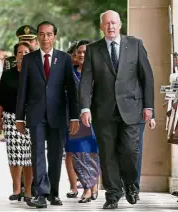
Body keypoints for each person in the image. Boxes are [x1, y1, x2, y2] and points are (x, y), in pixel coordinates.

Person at [79, 10, 154, 209]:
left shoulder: (135, 45)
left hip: (132, 108)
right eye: (106, 23)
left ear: (120, 25)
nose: (110, 27)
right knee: (107, 153)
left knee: (130, 150)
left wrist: (148, 106)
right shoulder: (94, 50)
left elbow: (146, 77)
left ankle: (130, 184)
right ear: (101, 26)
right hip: (103, 110)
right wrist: (85, 108)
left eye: (113, 23)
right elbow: (86, 81)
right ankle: (112, 194)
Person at [16, 21, 80, 209]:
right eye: (42, 34)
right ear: (38, 37)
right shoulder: (29, 59)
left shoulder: (65, 59)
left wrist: (74, 116)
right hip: (36, 115)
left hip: (58, 115)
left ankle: (54, 193)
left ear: (55, 37)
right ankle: (41, 194)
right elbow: (23, 90)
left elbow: (71, 89)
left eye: (49, 34)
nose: (45, 38)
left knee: (55, 155)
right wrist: (20, 117)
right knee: (37, 155)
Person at [0, 42, 34, 202]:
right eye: (20, 52)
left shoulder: (35, 74)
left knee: (29, 157)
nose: (23, 55)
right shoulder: (8, 74)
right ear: (15, 55)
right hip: (11, 119)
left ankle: (29, 190)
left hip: (30, 119)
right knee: (14, 156)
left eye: (26, 52)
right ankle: (17, 189)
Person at [64, 40, 101, 203]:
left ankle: (93, 186)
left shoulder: (98, 74)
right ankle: (86, 187)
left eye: (85, 52)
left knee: (92, 153)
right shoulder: (69, 73)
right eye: (79, 52)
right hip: (74, 119)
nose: (81, 55)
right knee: (79, 154)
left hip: (94, 119)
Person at [64, 41, 80, 198]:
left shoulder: (91, 72)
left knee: (90, 151)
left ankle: (90, 185)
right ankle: (73, 186)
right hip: (69, 115)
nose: (77, 57)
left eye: (80, 54)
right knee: (70, 151)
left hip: (89, 116)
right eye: (73, 55)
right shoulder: (67, 72)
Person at [136, 113, 156, 200]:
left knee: (136, 152)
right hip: (114, 114)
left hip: (137, 115)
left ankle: (134, 188)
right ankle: (119, 186)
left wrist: (152, 116)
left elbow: (149, 98)